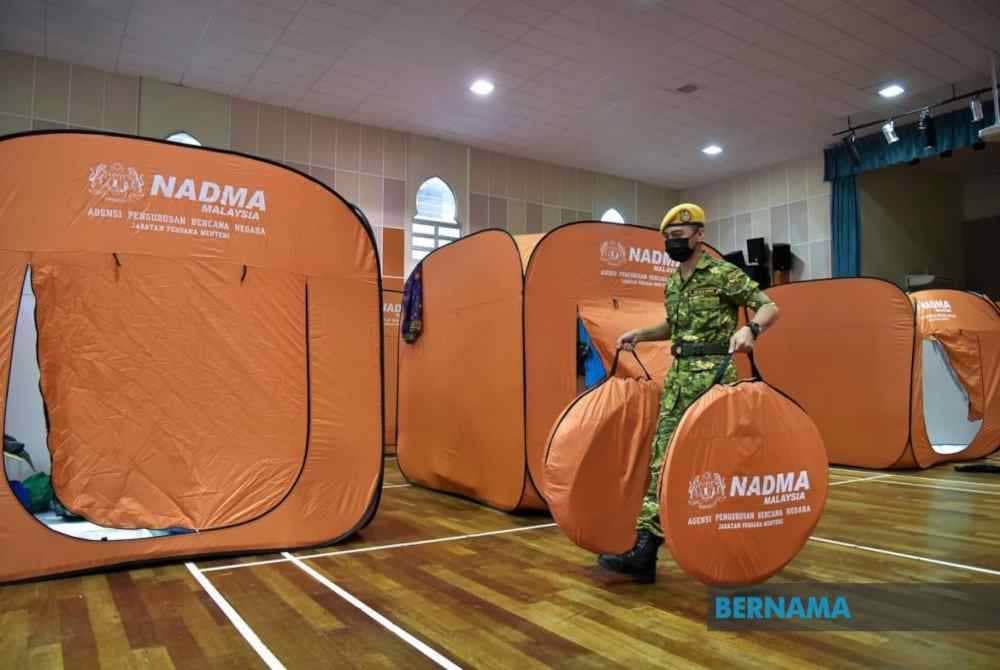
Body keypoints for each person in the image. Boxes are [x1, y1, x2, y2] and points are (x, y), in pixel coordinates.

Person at [597, 202, 780, 583]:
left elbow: (768, 307)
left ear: (699, 235)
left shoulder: (723, 274)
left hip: (715, 380)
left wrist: (751, 330)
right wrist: (641, 334)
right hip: (679, 381)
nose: (673, 243)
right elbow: (673, 326)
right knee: (661, 460)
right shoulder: (672, 282)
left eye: (679, 236)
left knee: (720, 464)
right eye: (668, 238)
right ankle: (645, 552)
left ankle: (734, 544)